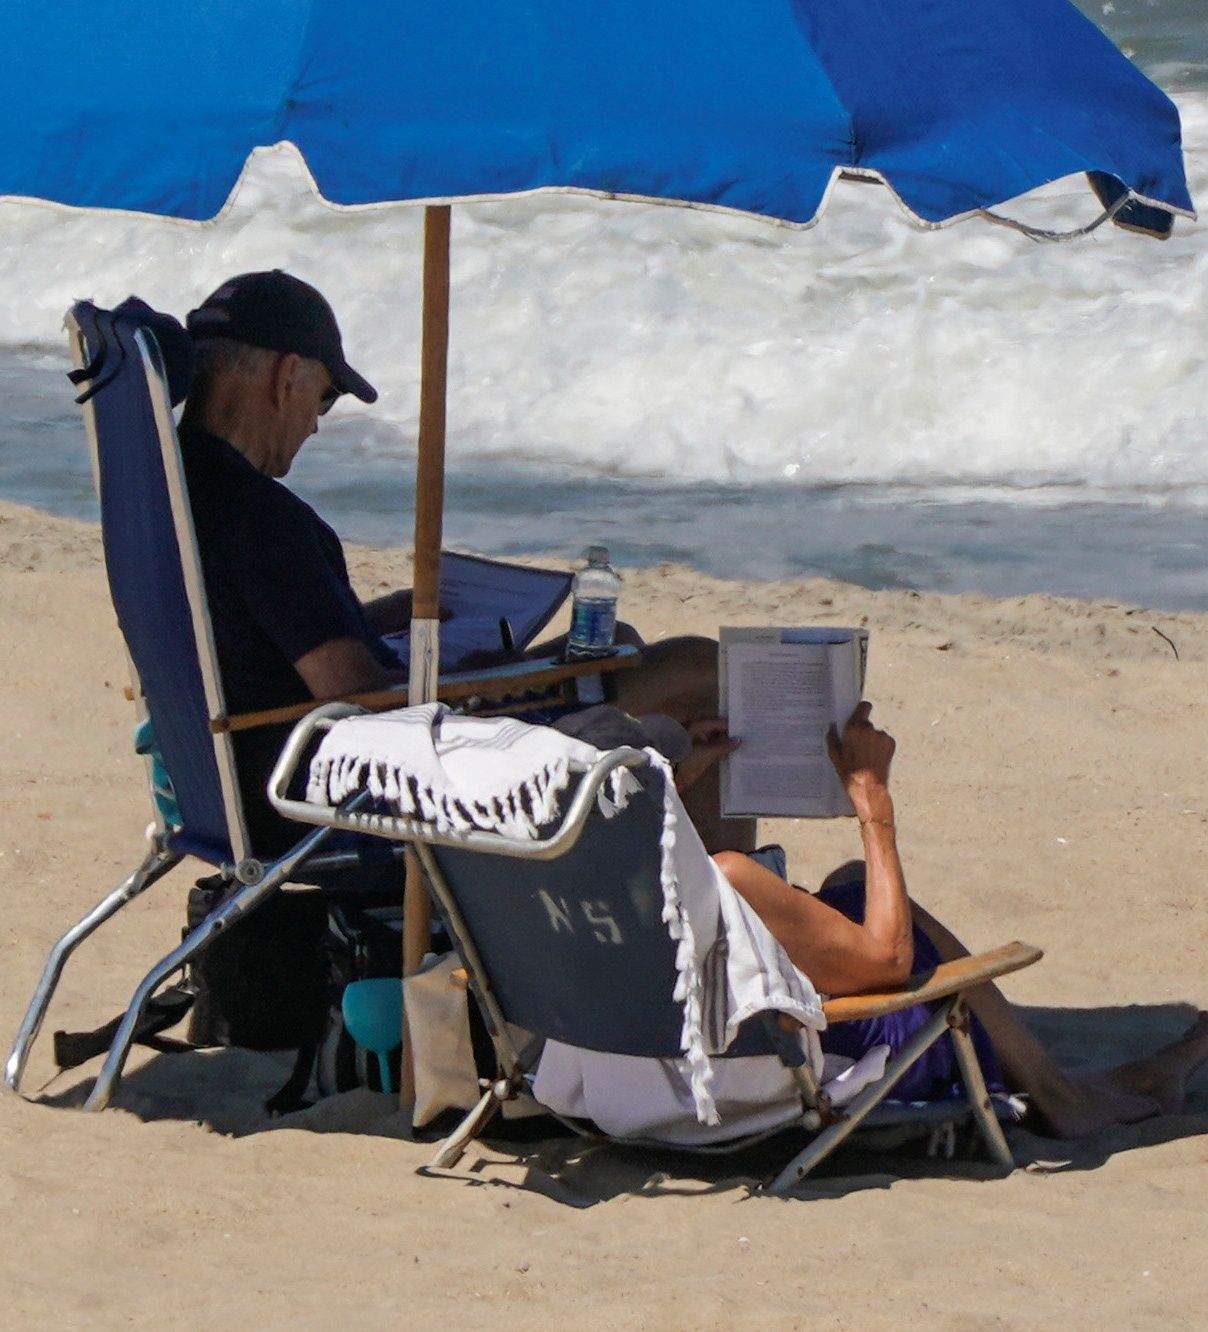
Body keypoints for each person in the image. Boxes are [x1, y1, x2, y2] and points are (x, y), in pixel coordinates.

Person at [179, 269, 747, 855]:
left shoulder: (173, 496)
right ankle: (735, 894)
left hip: (252, 780)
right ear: (287, 375)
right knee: (699, 673)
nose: (316, 423)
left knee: (615, 645)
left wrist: (382, 616)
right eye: (325, 395)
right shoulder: (260, 517)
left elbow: (250, 639)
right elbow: (361, 702)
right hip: (353, 796)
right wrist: (476, 683)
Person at [700, 702, 1208, 1138]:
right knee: (872, 899)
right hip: (825, 1061)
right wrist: (871, 797)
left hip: (673, 1079)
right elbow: (889, 962)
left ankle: (1097, 1084)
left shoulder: (655, 878)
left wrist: (680, 779)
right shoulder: (727, 875)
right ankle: (1061, 1098)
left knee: (849, 887)